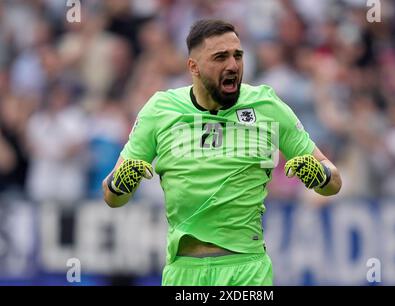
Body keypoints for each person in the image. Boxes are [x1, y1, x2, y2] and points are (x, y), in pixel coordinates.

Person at [102, 19, 342, 286]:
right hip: (184, 273)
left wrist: (319, 175)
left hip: (246, 271)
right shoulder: (160, 110)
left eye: (237, 56)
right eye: (220, 57)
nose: (232, 66)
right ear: (193, 67)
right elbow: (113, 197)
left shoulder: (266, 105)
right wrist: (120, 181)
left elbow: (333, 182)